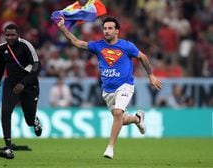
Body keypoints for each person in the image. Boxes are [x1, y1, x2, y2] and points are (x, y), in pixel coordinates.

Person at [56, 16, 162, 159]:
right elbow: (75, 42)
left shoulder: (126, 46)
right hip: (107, 90)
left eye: (110, 28)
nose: (106, 31)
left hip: (125, 86)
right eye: (105, 28)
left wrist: (151, 75)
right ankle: (137, 118)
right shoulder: (98, 46)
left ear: (117, 31)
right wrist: (63, 27)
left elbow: (142, 57)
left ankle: (110, 147)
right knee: (121, 119)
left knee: (118, 113)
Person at [0, 23, 42, 159]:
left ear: (18, 35)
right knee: (5, 111)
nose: (10, 37)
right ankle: (8, 147)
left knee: (29, 120)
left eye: (13, 35)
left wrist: (23, 83)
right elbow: (0, 67)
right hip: (11, 85)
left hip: (29, 86)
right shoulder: (2, 49)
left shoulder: (26, 46)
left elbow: (37, 65)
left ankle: (35, 121)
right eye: (7, 35)